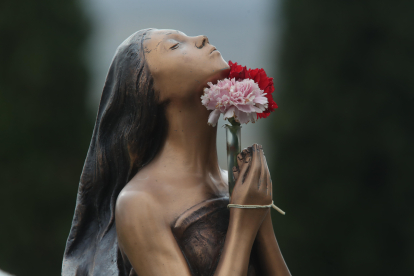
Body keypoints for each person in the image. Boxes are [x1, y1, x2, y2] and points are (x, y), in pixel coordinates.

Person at [62, 28, 291, 276]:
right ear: (151, 90)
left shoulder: (235, 185)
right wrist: (244, 224)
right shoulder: (140, 202)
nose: (202, 38)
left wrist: (260, 214)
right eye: (174, 46)